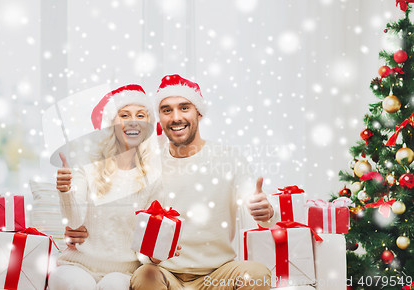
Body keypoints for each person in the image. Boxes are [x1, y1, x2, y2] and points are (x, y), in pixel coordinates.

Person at [66, 75, 276, 290]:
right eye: (167, 110)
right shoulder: (146, 157)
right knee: (144, 275)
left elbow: (252, 196)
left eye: (184, 108)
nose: (176, 117)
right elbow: (108, 184)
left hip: (217, 273)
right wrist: (79, 226)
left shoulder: (228, 158)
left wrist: (265, 210)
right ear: (159, 118)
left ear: (199, 113)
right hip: (162, 272)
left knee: (257, 274)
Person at [49, 84, 165, 290]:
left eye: (140, 115)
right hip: (78, 265)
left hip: (123, 271)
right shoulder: (87, 163)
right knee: (80, 285)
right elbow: (74, 221)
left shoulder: (154, 177)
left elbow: (148, 240)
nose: (132, 121)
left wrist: (157, 253)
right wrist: (65, 191)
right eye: (124, 115)